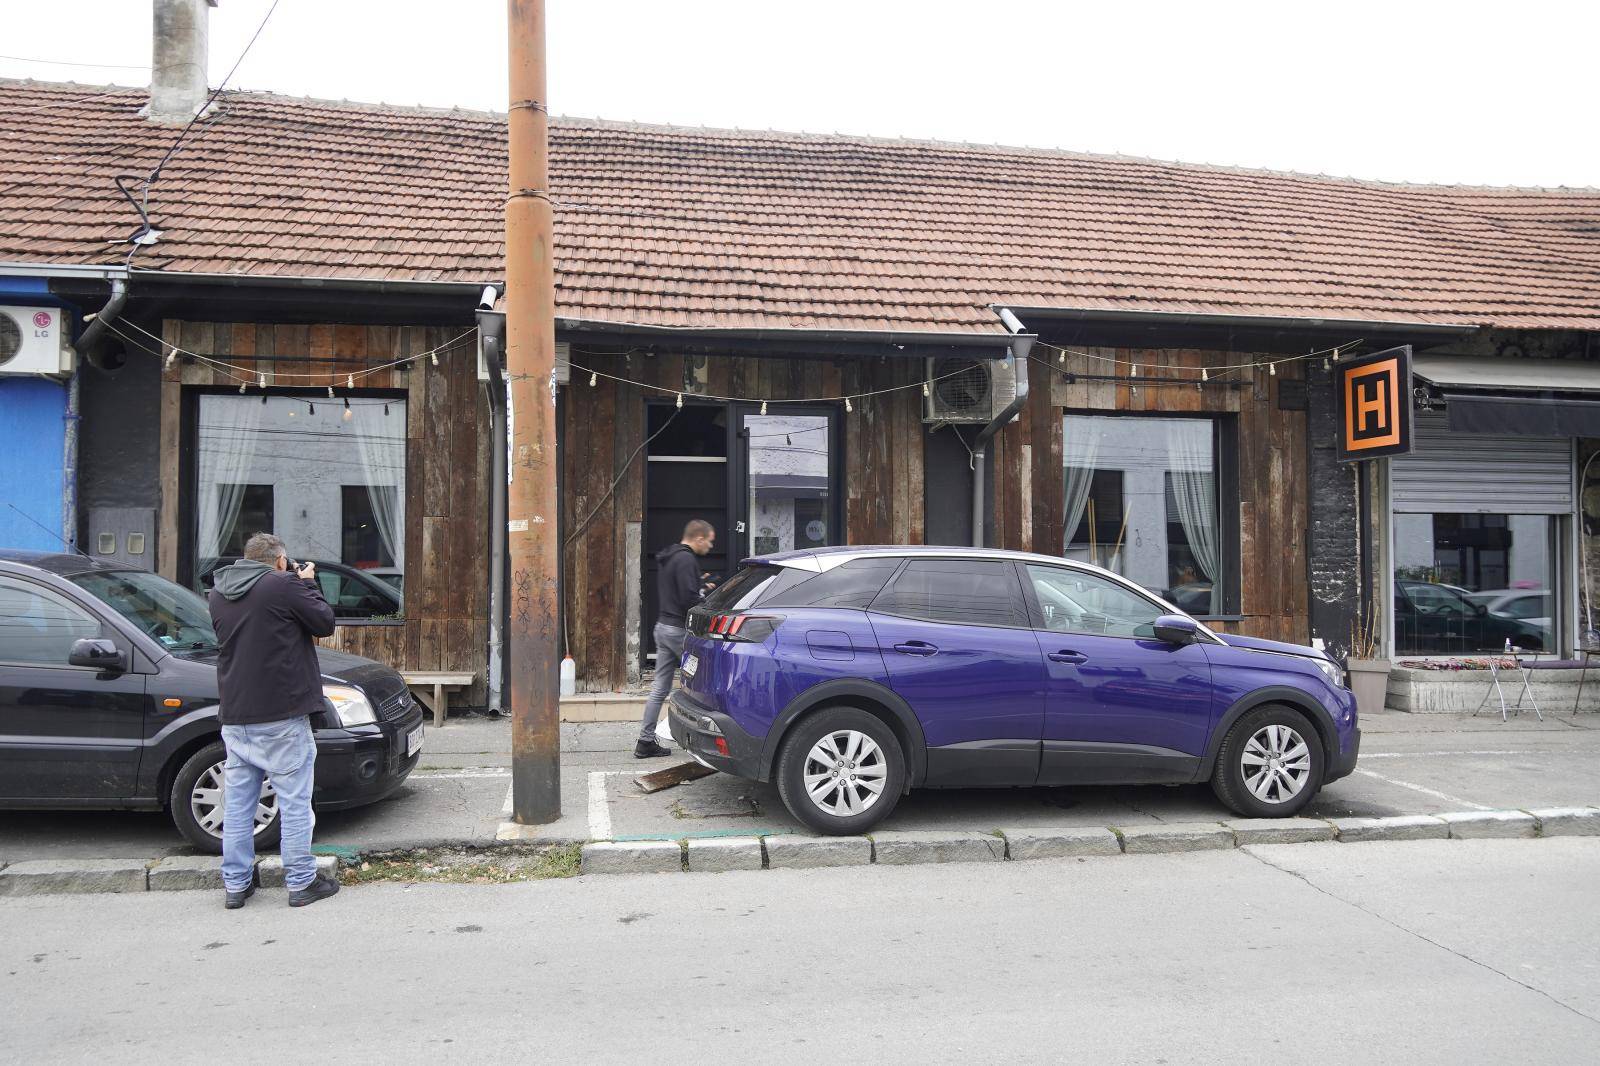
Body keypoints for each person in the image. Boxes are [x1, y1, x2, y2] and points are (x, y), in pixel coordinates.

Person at [207, 532, 341, 909]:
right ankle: (300, 882)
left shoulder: (218, 591)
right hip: (280, 712)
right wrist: (309, 583)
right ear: (279, 560)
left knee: (238, 803)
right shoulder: (281, 585)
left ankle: (235, 884)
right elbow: (324, 622)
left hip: (235, 712)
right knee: (295, 800)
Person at [637, 519, 716, 758]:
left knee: (659, 688)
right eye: (710, 541)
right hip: (678, 632)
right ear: (699, 537)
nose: (711, 547)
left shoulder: (670, 557)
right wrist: (705, 599)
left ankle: (645, 741)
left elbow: (680, 592)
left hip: (662, 628)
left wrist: (700, 587)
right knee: (708, 679)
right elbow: (687, 600)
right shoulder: (686, 559)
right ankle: (711, 740)